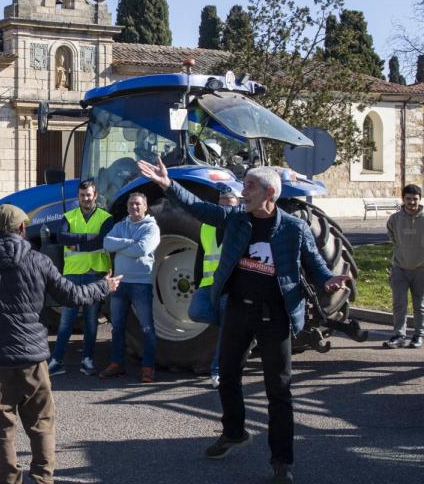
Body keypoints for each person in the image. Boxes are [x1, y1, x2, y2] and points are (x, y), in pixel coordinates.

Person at [138, 158, 349, 484]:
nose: (243, 192)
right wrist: (168, 185)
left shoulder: (294, 229)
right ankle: (234, 433)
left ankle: (282, 462)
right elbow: (199, 208)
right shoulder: (237, 218)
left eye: (249, 186)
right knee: (227, 375)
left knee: (278, 391)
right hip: (238, 310)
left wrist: (328, 280)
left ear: (270, 193)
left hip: (275, 316)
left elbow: (315, 264)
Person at [0, 204, 121, 484]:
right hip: (33, 359)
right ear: (22, 228)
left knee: (2, 429)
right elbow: (72, 295)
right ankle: (43, 478)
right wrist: (104, 286)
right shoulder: (38, 260)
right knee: (41, 424)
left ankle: (9, 480)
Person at [48, 179, 114, 376]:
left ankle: (87, 360)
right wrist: (89, 239)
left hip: (95, 274)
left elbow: (102, 240)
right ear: (78, 196)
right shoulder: (69, 217)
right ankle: (56, 361)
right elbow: (62, 238)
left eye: (89, 195)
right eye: (82, 195)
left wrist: (76, 243)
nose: (86, 198)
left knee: (91, 320)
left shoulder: (106, 218)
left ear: (95, 196)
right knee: (66, 320)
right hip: (73, 274)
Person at [100, 193, 160, 382]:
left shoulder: (151, 227)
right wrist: (130, 242)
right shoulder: (120, 226)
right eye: (131, 204)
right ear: (127, 207)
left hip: (141, 283)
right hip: (119, 283)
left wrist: (120, 246)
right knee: (117, 327)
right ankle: (116, 364)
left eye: (138, 204)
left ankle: (148, 367)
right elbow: (107, 243)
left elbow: (142, 249)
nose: (134, 207)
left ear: (145, 207)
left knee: (147, 328)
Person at [188, 185, 241, 388]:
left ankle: (217, 371)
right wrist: (196, 281)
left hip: (229, 285)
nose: (225, 209)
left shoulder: (240, 226)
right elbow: (201, 255)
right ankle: (239, 326)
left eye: (230, 205)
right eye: (223, 205)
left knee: (226, 329)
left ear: (237, 206)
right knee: (195, 312)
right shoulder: (206, 226)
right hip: (208, 284)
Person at [383, 184, 424, 349]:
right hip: (399, 268)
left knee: (420, 305)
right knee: (399, 304)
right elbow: (392, 237)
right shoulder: (395, 219)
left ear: (420, 199)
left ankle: (418, 335)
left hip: (422, 270)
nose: (411, 202)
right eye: (408, 199)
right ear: (403, 199)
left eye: (415, 199)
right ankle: (399, 336)